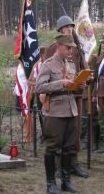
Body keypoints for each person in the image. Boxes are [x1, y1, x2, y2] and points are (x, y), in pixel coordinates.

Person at [36, 34, 85, 193]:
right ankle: (51, 183)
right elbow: (40, 87)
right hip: (55, 113)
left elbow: (72, 87)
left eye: (71, 48)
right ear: (59, 47)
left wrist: (80, 85)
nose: (70, 51)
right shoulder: (48, 65)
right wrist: (60, 83)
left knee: (69, 148)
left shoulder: (70, 64)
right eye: (68, 48)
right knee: (52, 148)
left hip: (71, 110)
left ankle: (66, 181)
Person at [48, 15, 90, 178]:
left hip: (76, 94)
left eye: (71, 27)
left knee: (75, 131)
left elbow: (80, 66)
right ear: (60, 30)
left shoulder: (77, 47)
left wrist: (85, 77)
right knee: (60, 134)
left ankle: (73, 163)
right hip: (60, 95)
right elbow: (50, 70)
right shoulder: (54, 47)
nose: (70, 30)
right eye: (66, 28)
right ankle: (59, 166)